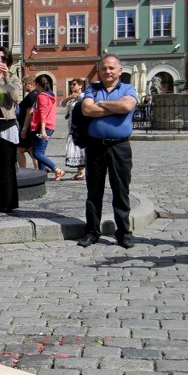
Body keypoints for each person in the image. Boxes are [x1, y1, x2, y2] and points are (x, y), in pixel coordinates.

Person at [77, 54, 138, 249]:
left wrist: (100, 104)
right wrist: (116, 107)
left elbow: (127, 105)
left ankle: (124, 232)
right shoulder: (92, 88)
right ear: (99, 71)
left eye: (112, 68)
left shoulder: (128, 88)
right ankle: (92, 231)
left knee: (121, 190)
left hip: (120, 147)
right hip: (95, 146)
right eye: (104, 68)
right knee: (94, 191)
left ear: (119, 70)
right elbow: (87, 110)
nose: (108, 71)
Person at [0, 46, 21, 213]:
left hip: (7, 123)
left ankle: (6, 203)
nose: (0, 62)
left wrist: (6, 77)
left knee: (6, 165)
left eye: (3, 59)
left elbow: (15, 98)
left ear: (8, 62)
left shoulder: (13, 78)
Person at [23, 75, 64, 182]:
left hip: (43, 127)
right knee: (41, 152)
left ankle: (56, 169)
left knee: (37, 153)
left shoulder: (42, 96)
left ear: (37, 84)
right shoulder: (51, 95)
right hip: (50, 126)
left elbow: (43, 113)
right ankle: (42, 174)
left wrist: (42, 129)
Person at [62, 79, 86, 180]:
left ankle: (82, 172)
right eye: (71, 84)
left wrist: (78, 97)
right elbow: (62, 104)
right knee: (75, 150)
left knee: (79, 149)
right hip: (71, 126)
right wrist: (69, 97)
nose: (72, 86)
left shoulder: (84, 96)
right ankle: (80, 171)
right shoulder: (71, 98)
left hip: (80, 126)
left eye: (74, 84)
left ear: (80, 86)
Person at [17, 76, 37, 170]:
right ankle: (39, 169)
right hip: (32, 126)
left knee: (21, 150)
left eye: (25, 84)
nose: (24, 86)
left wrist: (24, 128)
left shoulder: (31, 96)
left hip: (28, 127)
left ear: (31, 84)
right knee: (31, 150)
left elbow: (29, 113)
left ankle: (24, 170)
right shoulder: (36, 94)